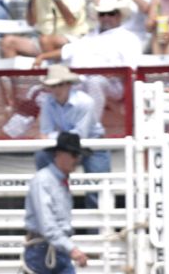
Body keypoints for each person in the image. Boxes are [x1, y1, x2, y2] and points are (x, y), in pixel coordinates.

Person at [34, 64, 110, 209]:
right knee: (42, 157)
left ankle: (98, 230)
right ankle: (53, 205)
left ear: (69, 85)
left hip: (92, 145)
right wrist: (54, 138)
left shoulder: (85, 102)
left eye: (60, 85)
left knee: (96, 193)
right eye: (53, 86)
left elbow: (79, 135)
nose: (56, 90)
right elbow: (45, 133)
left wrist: (53, 137)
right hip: (67, 145)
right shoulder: (48, 102)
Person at [22, 132, 91, 274]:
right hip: (42, 251)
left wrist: (68, 247)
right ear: (60, 154)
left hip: (54, 249)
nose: (77, 159)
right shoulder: (43, 181)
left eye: (77, 155)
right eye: (73, 155)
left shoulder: (57, 181)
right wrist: (71, 248)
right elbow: (47, 224)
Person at [40, 0, 144, 68]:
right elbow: (69, 50)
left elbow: (131, 68)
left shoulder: (129, 39)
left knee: (94, 81)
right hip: (83, 80)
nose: (106, 17)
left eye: (111, 13)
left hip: (112, 83)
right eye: (102, 14)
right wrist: (42, 56)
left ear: (119, 15)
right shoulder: (90, 36)